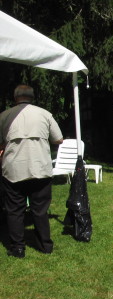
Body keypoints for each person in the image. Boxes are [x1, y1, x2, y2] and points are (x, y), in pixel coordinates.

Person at [0, 84, 63, 258]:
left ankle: (18, 248)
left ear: (15, 98)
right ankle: (45, 246)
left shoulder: (4, 116)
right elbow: (59, 139)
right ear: (32, 97)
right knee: (40, 209)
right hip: (40, 168)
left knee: (14, 210)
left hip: (14, 169)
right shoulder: (45, 114)